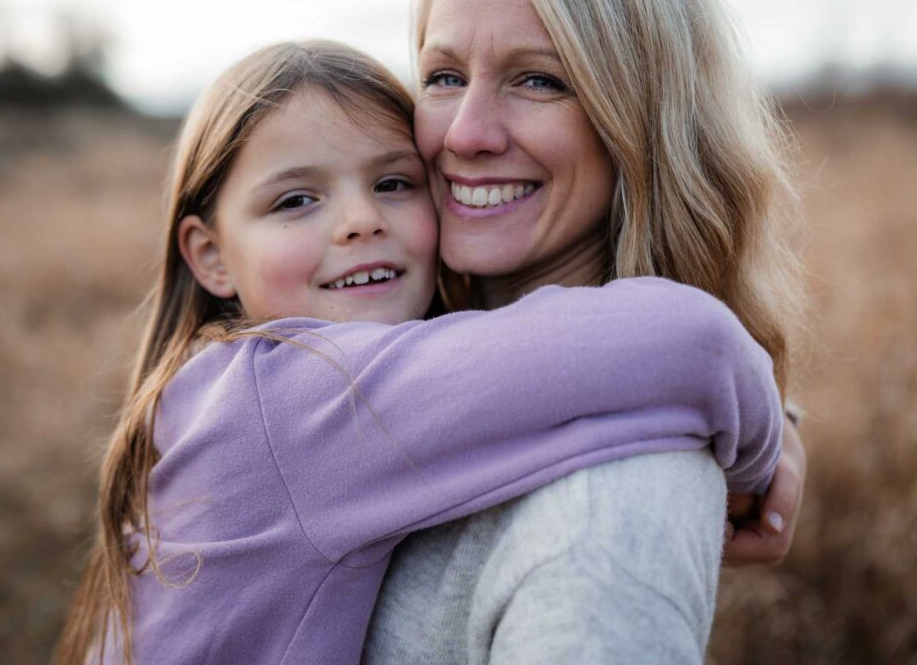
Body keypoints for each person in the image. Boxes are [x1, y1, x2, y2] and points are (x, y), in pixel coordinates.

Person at [52, 39, 784, 665]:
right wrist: (763, 460)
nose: (361, 220)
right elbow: (694, 342)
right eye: (295, 200)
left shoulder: (221, 386)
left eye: (394, 183)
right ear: (210, 256)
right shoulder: (287, 400)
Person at [361, 0, 808, 663]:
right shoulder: (384, 332)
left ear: (647, 118)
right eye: (442, 75)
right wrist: (774, 420)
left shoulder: (608, 513)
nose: (465, 133)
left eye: (539, 82)